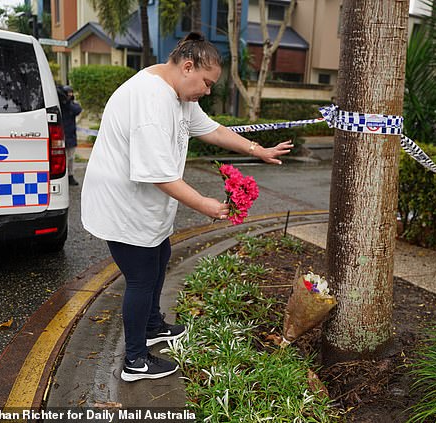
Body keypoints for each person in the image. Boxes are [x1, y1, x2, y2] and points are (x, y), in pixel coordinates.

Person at [80, 32, 293, 382]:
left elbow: (213, 130)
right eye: (207, 83)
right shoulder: (150, 101)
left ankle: (152, 326)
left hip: (145, 208)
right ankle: (135, 361)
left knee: (160, 257)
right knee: (140, 277)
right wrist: (206, 204)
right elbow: (157, 175)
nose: (207, 92)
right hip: (123, 207)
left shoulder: (176, 92)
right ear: (188, 66)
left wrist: (258, 150)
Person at [58, 85, 83, 186]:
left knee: (71, 158)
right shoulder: (60, 105)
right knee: (61, 158)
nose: (70, 95)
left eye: (71, 93)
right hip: (61, 136)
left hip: (71, 136)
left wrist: (67, 102)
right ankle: (61, 176)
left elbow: (77, 110)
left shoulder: (72, 105)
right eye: (68, 93)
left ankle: (70, 176)